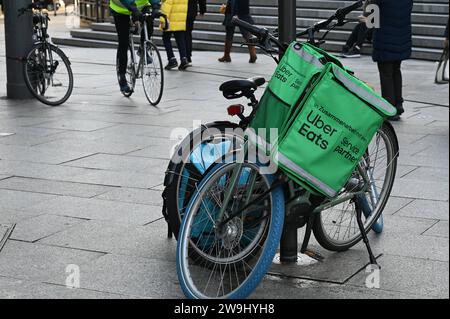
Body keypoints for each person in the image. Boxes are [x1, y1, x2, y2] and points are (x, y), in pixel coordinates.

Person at [371, 0, 413, 121]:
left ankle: (389, 107)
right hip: (401, 38)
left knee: (386, 73)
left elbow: (371, 19)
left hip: (385, 37)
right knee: (395, 70)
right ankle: (398, 104)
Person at [110, 0, 161, 94]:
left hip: (141, 7)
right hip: (121, 9)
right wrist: (133, 8)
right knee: (123, 42)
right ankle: (122, 76)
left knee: (149, 21)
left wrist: (156, 6)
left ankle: (143, 48)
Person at [160, 0, 189, 71]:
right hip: (180, 20)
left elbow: (167, 6)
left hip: (170, 20)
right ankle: (184, 59)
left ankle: (171, 59)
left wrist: (162, 19)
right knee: (180, 40)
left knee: (166, 39)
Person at [186, 0, 206, 66]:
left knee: (183, 34)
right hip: (191, 10)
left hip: (182, 10)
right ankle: (188, 56)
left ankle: (185, 56)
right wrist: (202, 10)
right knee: (188, 33)